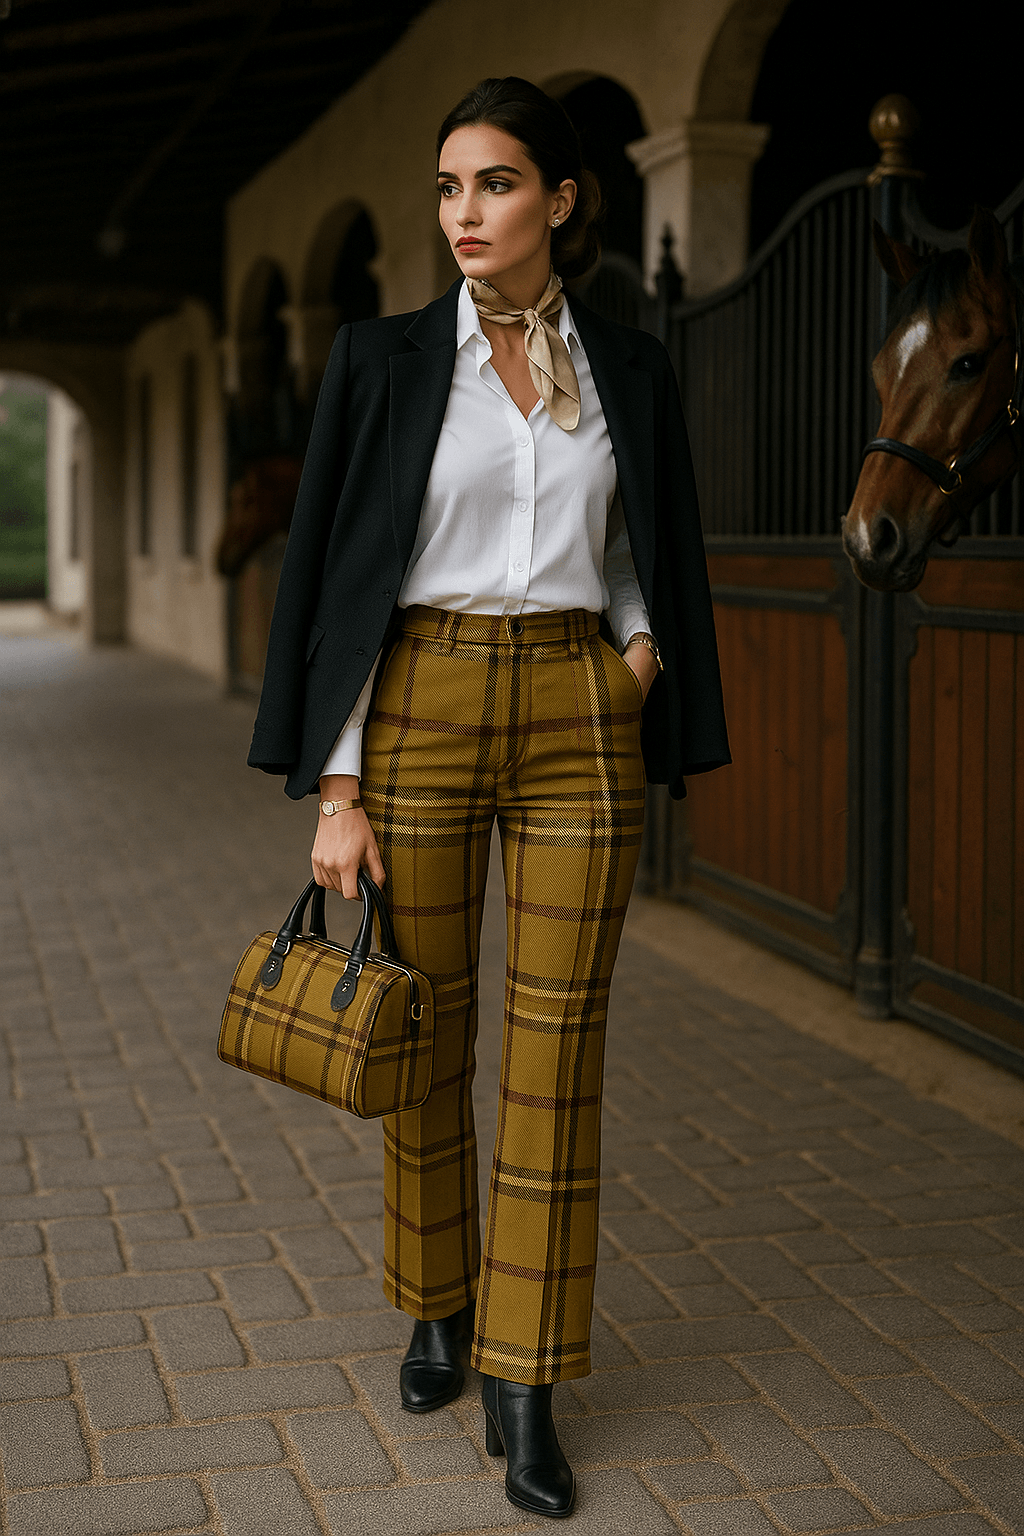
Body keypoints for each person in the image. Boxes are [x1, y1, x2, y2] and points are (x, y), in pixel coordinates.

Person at [248, 75, 729, 1521]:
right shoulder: (383, 361)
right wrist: (337, 785)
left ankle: (524, 1377)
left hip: (580, 705)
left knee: (559, 1049)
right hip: (424, 704)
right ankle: (437, 1307)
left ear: (561, 203)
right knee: (428, 1031)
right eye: (450, 187)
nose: (466, 213)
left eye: (498, 184)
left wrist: (637, 651)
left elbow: (638, 533)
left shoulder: (627, 367)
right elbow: (336, 572)